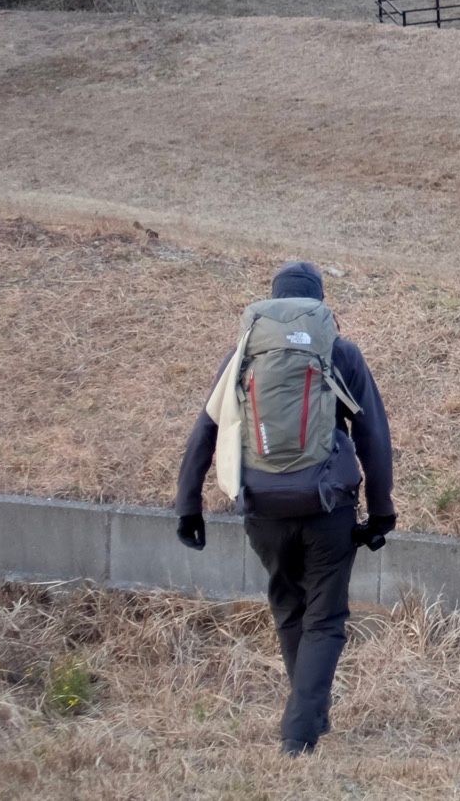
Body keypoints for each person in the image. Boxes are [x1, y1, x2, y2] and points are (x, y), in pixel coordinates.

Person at [174, 261, 394, 756]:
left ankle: (307, 716)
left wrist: (189, 507)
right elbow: (373, 436)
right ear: (319, 302)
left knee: (290, 608)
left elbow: (205, 430)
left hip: (262, 508)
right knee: (325, 618)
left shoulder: (244, 354)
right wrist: (381, 513)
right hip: (326, 506)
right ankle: (299, 731)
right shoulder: (340, 352)